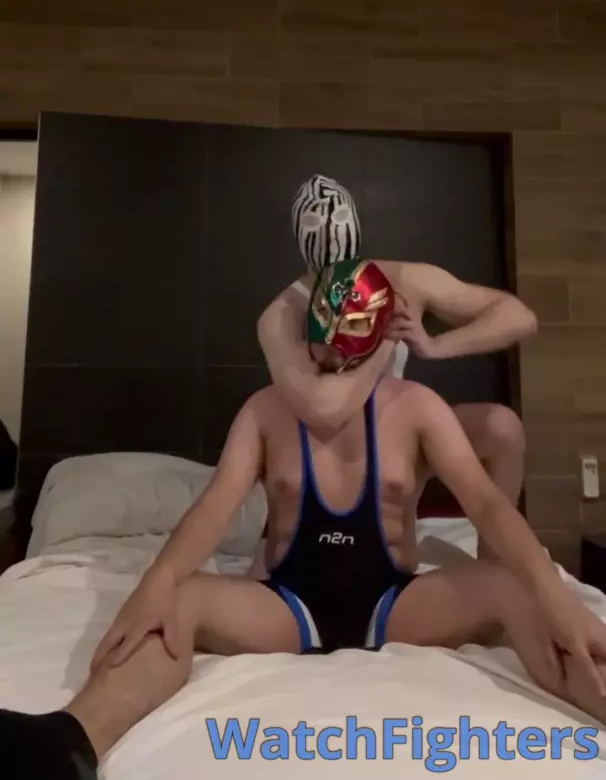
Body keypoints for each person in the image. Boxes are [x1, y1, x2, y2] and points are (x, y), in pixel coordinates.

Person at [1, 259, 605, 779]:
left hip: (394, 603)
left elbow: (488, 504)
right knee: (175, 603)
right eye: (322, 348)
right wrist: (157, 582)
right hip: (289, 604)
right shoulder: (266, 410)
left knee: (519, 590)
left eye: (346, 352)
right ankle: (69, 741)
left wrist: (555, 597)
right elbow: (216, 504)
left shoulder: (417, 409)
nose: (330, 363)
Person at [260, 174, 536, 534]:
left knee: (502, 428)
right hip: (326, 453)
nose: (329, 233)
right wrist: (386, 341)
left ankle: (492, 561)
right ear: (300, 234)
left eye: (339, 220)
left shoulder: (401, 280)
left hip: (398, 435)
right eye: (313, 223)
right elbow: (321, 410)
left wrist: (437, 345)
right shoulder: (283, 314)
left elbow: (519, 317)